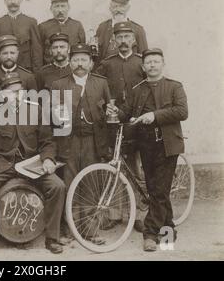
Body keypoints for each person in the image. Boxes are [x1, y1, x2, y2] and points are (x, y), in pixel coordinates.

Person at [107, 48, 188, 251]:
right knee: (156, 190)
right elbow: (127, 112)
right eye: (149, 62)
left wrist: (155, 115)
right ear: (143, 67)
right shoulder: (138, 89)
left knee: (159, 190)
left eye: (156, 61)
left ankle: (150, 234)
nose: (152, 65)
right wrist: (117, 111)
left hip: (168, 144)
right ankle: (168, 231)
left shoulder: (174, 86)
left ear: (163, 64)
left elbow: (182, 111)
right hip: (146, 145)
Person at [0, 72, 66, 254]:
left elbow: (47, 141)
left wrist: (48, 158)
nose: (16, 96)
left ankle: (52, 238)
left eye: (20, 92)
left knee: (57, 186)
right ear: (2, 95)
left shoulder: (35, 110)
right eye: (11, 93)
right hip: (4, 164)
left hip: (32, 164)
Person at [51, 43, 111, 244]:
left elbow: (108, 113)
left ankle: (89, 229)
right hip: (69, 141)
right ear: (69, 62)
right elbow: (55, 120)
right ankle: (68, 227)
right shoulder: (59, 85)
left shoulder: (101, 84)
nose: (79, 64)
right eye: (75, 59)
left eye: (83, 60)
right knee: (69, 183)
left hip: (93, 142)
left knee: (91, 183)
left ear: (91, 63)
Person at [95, 21, 146, 232]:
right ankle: (115, 213)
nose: (123, 41)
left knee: (138, 168)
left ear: (134, 40)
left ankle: (140, 214)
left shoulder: (142, 63)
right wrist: (104, 107)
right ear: (113, 41)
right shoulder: (106, 64)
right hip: (114, 123)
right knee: (115, 164)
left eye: (127, 37)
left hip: (138, 122)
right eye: (119, 38)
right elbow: (97, 89)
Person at [0, 0, 43, 71]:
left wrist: (36, 73)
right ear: (5, 1)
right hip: (4, 69)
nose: (13, 1)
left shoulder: (30, 22)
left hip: (26, 70)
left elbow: (36, 50)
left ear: (21, 0)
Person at [95, 0, 148, 65]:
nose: (118, 10)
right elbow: (97, 55)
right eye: (115, 6)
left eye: (122, 6)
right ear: (110, 8)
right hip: (106, 71)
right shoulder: (102, 27)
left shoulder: (138, 29)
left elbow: (144, 57)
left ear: (128, 8)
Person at [38, 0, 85, 65]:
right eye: (57, 6)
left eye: (63, 6)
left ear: (68, 8)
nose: (60, 10)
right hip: (50, 69)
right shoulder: (43, 27)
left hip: (71, 69)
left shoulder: (77, 25)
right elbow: (39, 52)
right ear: (51, 9)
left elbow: (82, 50)